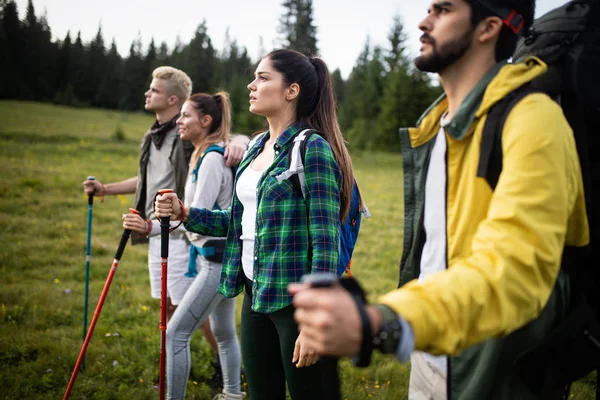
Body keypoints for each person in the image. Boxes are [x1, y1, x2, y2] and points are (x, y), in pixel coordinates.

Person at [289, 1, 590, 399]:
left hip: (493, 367)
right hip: (428, 352)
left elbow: (516, 269)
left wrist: (387, 322)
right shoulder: (437, 124)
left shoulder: (533, 119)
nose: (423, 21)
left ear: (488, 27)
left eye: (443, 10)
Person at [155, 49, 361, 399]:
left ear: (291, 91)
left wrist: (313, 323)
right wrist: (184, 213)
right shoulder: (254, 147)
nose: (252, 85)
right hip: (255, 294)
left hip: (296, 304)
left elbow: (326, 243)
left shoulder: (311, 149)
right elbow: (237, 221)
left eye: (263, 78)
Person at [82, 66, 248, 375]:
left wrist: (240, 140)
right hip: (156, 229)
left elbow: (219, 138)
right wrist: (106, 189)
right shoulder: (153, 135)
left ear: (172, 99)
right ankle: (188, 363)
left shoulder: (186, 136)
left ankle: (223, 368)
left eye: (154, 90)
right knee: (171, 307)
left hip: (184, 234)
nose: (147, 93)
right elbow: (146, 179)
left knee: (190, 311)